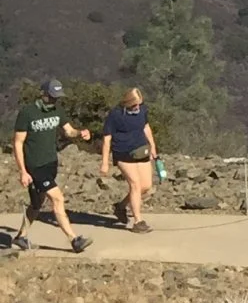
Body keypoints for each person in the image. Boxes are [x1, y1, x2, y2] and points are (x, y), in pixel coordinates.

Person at [13, 78, 93, 254]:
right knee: (57, 198)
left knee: (36, 204)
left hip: (50, 163)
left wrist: (81, 133)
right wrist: (23, 171)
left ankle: (20, 236)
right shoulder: (28, 113)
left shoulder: (57, 110)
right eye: (52, 96)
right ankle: (74, 240)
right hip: (35, 165)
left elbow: (68, 131)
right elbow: (18, 142)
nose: (55, 100)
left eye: (57, 97)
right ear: (43, 94)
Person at [101, 86, 156, 233]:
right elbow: (107, 139)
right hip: (123, 152)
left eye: (139, 104)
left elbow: (146, 127)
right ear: (127, 103)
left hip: (140, 150)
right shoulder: (115, 115)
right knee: (135, 184)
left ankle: (120, 206)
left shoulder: (143, 111)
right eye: (134, 105)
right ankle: (138, 221)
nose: (137, 107)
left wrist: (153, 148)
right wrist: (105, 162)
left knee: (145, 186)